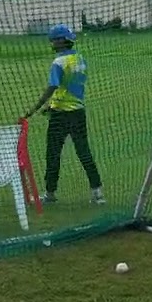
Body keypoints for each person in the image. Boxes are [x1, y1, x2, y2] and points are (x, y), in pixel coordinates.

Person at [21, 24, 104, 205]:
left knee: (53, 154)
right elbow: (70, 88)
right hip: (78, 112)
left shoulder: (58, 62)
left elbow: (53, 87)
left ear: (60, 41)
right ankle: (97, 192)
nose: (52, 43)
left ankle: (50, 194)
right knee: (84, 152)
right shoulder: (80, 59)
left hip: (61, 116)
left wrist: (34, 109)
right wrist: (51, 106)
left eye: (53, 40)